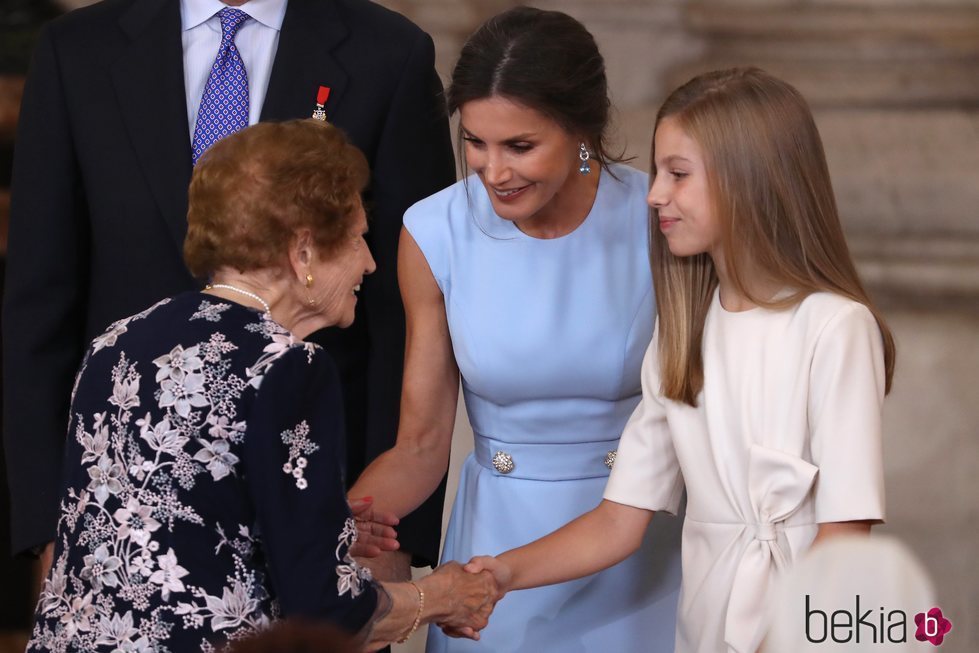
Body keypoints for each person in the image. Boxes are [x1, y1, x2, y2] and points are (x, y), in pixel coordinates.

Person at [3, 0, 455, 584]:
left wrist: (393, 537)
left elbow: (407, 313)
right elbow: (39, 308)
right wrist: (48, 528)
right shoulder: (77, 51)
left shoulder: (389, 53)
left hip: (324, 508)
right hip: (114, 517)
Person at [465, 67, 895, 653]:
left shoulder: (835, 327)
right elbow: (618, 522)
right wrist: (502, 574)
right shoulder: (683, 333)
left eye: (679, 174)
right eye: (658, 171)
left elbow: (844, 537)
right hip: (706, 624)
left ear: (751, 180)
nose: (654, 194)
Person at [25, 121, 496, 653]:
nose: (369, 262)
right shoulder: (287, 366)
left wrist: (327, 529)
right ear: (304, 253)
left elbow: (167, 520)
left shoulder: (115, 342)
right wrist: (439, 596)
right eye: (360, 237)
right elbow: (325, 614)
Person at [348, 7, 683, 652]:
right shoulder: (433, 231)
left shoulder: (660, 221)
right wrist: (340, 524)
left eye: (520, 146)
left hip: (640, 539)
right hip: (491, 559)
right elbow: (420, 446)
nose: (493, 171)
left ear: (580, 128)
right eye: (475, 142)